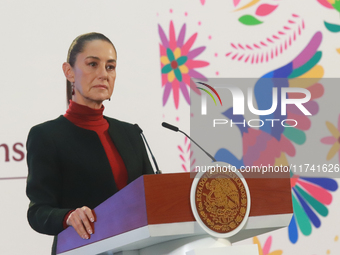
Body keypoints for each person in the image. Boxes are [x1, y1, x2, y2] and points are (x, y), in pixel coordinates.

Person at [26, 32, 154, 255]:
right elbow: (38, 212)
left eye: (110, 67)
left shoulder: (131, 132)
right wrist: (68, 216)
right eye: (93, 64)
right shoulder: (46, 136)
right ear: (69, 72)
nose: (103, 74)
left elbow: (153, 197)